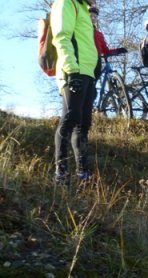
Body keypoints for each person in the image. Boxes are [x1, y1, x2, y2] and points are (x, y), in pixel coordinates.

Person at [50, 0, 99, 183]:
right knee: (70, 119)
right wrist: (72, 70)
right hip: (73, 71)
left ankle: (83, 173)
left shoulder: (85, 10)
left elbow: (86, 43)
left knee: (83, 125)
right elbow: (62, 37)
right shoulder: (66, 3)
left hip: (88, 73)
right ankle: (60, 174)